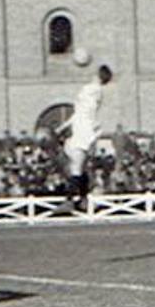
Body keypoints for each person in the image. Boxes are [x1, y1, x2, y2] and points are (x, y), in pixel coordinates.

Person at [57, 64, 113, 211]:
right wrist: (64, 126)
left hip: (84, 131)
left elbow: (87, 111)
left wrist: (93, 129)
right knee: (78, 167)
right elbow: (80, 112)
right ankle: (83, 199)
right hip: (82, 129)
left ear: (97, 75)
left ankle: (70, 200)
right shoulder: (92, 91)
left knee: (76, 166)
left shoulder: (93, 90)